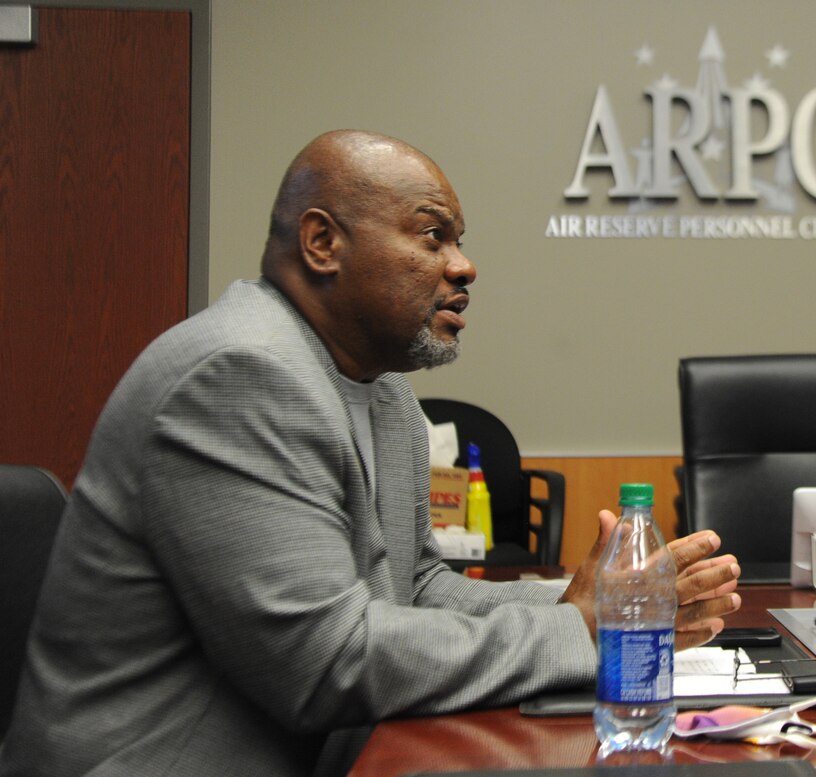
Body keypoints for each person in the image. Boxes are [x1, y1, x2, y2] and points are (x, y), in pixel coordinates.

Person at [0, 130, 742, 777]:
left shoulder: (381, 392)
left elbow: (413, 587)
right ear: (323, 243)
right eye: (432, 236)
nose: (464, 265)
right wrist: (575, 628)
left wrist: (606, 603)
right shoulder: (236, 374)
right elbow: (324, 662)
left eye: (459, 240)